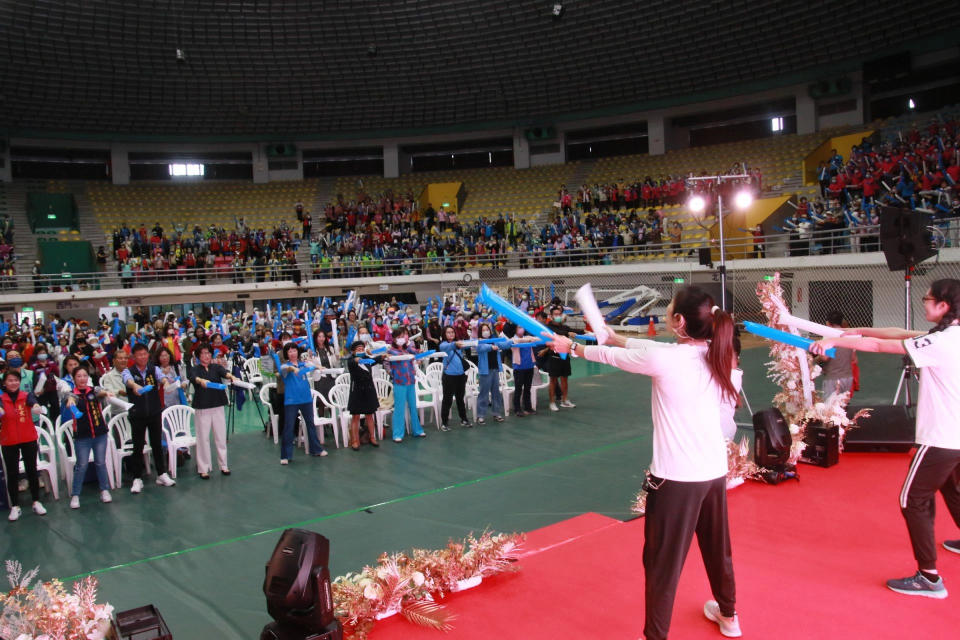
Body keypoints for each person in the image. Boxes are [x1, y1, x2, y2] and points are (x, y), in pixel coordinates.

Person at [550, 286, 741, 640]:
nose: (666, 314)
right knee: (718, 549)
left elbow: (612, 358)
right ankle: (729, 616)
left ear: (679, 322)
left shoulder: (669, 359)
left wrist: (572, 347)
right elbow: (651, 349)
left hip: (676, 482)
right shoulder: (716, 353)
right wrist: (612, 335)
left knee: (661, 564)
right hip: (713, 474)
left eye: (669, 310)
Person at [810, 279, 960, 599]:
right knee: (951, 486)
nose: (924, 303)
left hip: (942, 437)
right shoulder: (947, 336)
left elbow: (880, 346)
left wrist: (834, 342)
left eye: (927, 299)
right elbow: (900, 333)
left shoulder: (941, 343)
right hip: (956, 437)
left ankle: (929, 577)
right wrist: (855, 331)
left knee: (912, 500)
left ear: (944, 306)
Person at [123, 343, 176, 493]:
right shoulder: (129, 371)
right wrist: (135, 387)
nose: (143, 357)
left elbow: (162, 378)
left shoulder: (154, 369)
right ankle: (137, 478)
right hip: (137, 414)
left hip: (154, 412)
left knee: (157, 444)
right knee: (138, 446)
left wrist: (165, 382)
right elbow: (128, 381)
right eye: (139, 355)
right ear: (133, 357)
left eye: (145, 354)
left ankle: (161, 474)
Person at [1, 370, 47, 521]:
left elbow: (34, 402)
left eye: (16, 380)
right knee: (12, 474)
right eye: (10, 380)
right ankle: (15, 506)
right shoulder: (1, 399)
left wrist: (36, 406)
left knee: (32, 470)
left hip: (28, 438)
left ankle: (36, 501)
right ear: (4, 383)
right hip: (9, 441)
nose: (13, 383)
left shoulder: (26, 396)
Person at [63, 368, 113, 509]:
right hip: (82, 437)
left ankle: (104, 490)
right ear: (74, 379)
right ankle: (75, 495)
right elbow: (69, 399)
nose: (82, 378)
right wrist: (71, 401)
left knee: (100, 463)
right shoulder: (71, 394)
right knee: (81, 466)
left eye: (85, 375)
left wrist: (106, 393)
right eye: (79, 376)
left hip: (100, 434)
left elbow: (101, 392)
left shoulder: (94, 390)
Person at [189, 343, 235, 478]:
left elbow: (224, 373)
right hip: (202, 407)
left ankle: (224, 465)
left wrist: (231, 376)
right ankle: (203, 467)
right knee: (203, 438)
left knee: (220, 437)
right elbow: (193, 378)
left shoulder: (216, 367)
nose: (206, 356)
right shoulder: (195, 369)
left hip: (218, 405)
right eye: (203, 353)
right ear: (198, 356)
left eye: (208, 353)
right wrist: (200, 380)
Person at [278, 342, 326, 464]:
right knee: (288, 427)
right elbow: (285, 370)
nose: (293, 353)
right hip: (291, 400)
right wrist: (293, 368)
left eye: (294, 350)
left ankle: (316, 449)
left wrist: (317, 366)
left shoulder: (303, 364)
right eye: (290, 351)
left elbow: (314, 366)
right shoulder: (284, 366)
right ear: (286, 354)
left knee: (311, 424)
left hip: (306, 399)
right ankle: (285, 456)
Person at [386, 327, 425, 442]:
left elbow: (416, 356)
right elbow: (386, 364)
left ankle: (417, 430)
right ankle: (398, 433)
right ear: (394, 338)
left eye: (404, 335)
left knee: (413, 406)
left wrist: (418, 358)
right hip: (399, 382)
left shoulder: (408, 349)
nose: (402, 338)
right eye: (400, 336)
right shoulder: (390, 351)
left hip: (411, 381)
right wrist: (393, 373)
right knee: (399, 408)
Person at [345, 341, 381, 450]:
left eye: (362, 348)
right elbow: (353, 362)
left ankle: (372, 437)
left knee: (370, 415)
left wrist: (383, 355)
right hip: (356, 390)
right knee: (355, 416)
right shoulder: (351, 360)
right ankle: (355, 440)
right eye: (358, 349)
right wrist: (357, 359)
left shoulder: (368, 359)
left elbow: (376, 359)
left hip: (369, 389)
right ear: (353, 351)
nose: (360, 350)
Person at [815, 311, 856, 398]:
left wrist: (816, 358)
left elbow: (825, 358)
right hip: (848, 377)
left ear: (828, 323)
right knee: (843, 405)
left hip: (833, 377)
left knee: (830, 407)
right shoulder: (849, 335)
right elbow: (853, 358)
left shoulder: (828, 336)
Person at [437, 326, 471, 430]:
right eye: (448, 332)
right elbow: (448, 347)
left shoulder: (459, 343)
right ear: (444, 334)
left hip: (460, 375)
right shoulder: (443, 345)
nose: (451, 334)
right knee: (447, 400)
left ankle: (464, 419)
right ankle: (444, 423)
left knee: (460, 399)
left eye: (452, 332)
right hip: (449, 376)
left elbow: (467, 344)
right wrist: (455, 344)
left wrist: (476, 341)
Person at [546, 305, 578, 411]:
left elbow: (573, 331)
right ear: (551, 316)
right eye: (556, 314)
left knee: (565, 379)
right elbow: (556, 334)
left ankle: (565, 400)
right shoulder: (548, 327)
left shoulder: (564, 327)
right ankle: (552, 402)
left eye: (559, 314)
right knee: (553, 381)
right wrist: (567, 333)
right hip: (554, 357)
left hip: (565, 357)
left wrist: (588, 332)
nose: (558, 316)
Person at [475, 324, 505, 424]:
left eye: (487, 329)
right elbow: (481, 348)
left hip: (495, 369)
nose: (486, 331)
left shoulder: (494, 340)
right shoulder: (479, 342)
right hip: (485, 371)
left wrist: (514, 341)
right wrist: (492, 347)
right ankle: (481, 415)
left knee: (496, 393)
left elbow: (504, 344)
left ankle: (497, 413)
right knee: (483, 393)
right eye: (483, 330)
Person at [509, 324, 539, 416]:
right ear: (515, 329)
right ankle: (517, 409)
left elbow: (538, 339)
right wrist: (527, 340)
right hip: (519, 367)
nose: (521, 329)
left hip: (529, 366)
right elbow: (514, 342)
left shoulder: (528, 337)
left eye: (522, 327)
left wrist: (530, 339)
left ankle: (528, 407)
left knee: (527, 388)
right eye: (519, 327)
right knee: (518, 389)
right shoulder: (512, 339)